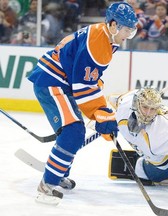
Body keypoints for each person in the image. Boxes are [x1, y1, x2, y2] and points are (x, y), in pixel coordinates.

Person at [27, 2, 138, 205]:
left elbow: (90, 78)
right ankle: (46, 186)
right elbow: (83, 87)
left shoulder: (105, 37)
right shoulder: (98, 42)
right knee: (73, 132)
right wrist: (101, 114)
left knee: (73, 133)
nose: (128, 35)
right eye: (127, 30)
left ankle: (58, 172)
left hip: (62, 82)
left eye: (132, 31)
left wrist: (101, 111)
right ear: (113, 25)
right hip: (52, 82)